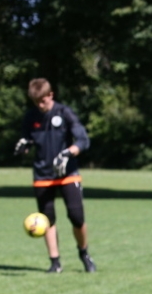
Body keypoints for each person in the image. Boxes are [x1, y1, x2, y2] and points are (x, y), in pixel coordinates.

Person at [14, 78, 95, 273]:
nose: (40, 106)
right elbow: (26, 139)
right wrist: (23, 147)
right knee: (47, 220)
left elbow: (83, 140)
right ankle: (55, 262)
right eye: (36, 102)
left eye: (43, 101)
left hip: (67, 173)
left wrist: (68, 153)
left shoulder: (64, 113)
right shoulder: (31, 116)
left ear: (51, 95)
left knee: (76, 217)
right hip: (42, 175)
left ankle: (83, 252)